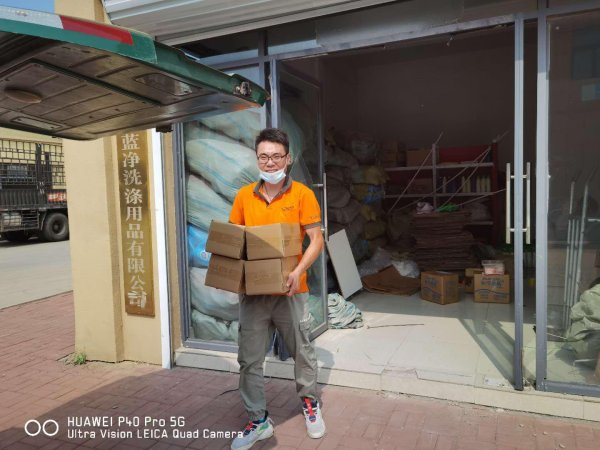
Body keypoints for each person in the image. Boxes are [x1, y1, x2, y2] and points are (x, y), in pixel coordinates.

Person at [229, 128, 326, 450]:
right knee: (249, 359)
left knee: (302, 352)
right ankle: (258, 420)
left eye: (275, 156)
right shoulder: (244, 196)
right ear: (257, 159)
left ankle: (310, 403)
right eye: (263, 157)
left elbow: (316, 240)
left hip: (291, 291)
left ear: (288, 158)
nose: (269, 163)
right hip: (254, 295)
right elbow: (234, 239)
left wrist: (298, 271)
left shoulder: (302, 194)